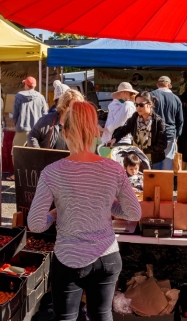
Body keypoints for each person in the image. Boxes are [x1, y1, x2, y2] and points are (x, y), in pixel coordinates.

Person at [28, 100, 141, 321]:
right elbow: (134, 213)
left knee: (66, 318)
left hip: (69, 257)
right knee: (102, 315)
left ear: (65, 131)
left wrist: (54, 214)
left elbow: (35, 224)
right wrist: (106, 204)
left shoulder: (52, 172)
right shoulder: (113, 169)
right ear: (94, 132)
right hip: (107, 257)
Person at [110, 92, 169, 166]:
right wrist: (115, 138)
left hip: (154, 161)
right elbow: (125, 129)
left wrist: (144, 151)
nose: (138, 108)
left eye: (141, 105)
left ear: (150, 104)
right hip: (137, 160)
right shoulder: (135, 117)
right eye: (136, 105)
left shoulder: (158, 121)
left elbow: (162, 145)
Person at [150, 76, 183, 170]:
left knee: (156, 162)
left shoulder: (151, 95)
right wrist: (177, 135)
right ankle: (166, 183)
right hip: (170, 134)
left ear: (157, 84)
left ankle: (156, 183)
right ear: (169, 85)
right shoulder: (176, 99)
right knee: (168, 164)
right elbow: (180, 120)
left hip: (154, 134)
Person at [12, 76, 48, 157]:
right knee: (34, 156)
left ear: (26, 85)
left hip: (22, 129)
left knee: (16, 154)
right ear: (34, 86)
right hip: (36, 131)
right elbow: (45, 115)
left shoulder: (18, 96)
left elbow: (15, 114)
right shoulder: (41, 97)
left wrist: (17, 125)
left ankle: (17, 170)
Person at [101, 82, 138, 147]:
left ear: (124, 92)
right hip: (125, 138)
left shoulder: (127, 104)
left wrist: (103, 129)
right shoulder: (132, 105)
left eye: (120, 92)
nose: (120, 94)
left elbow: (117, 123)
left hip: (120, 139)